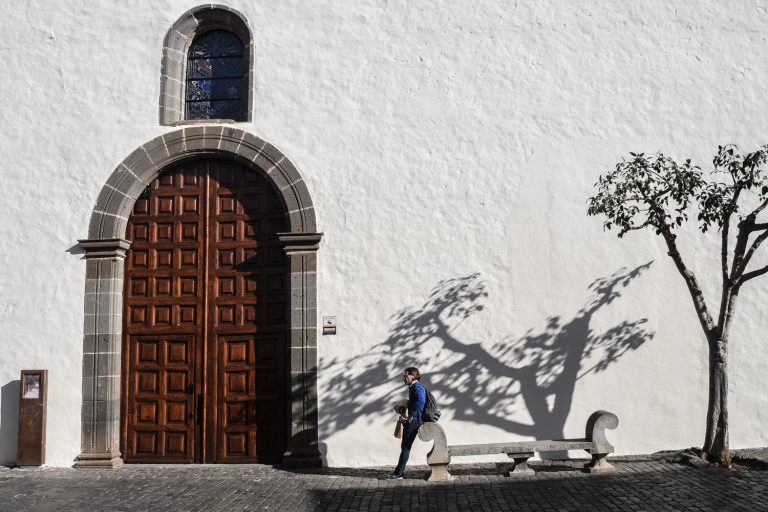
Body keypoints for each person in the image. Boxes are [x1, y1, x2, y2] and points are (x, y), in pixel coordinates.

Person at [390, 367, 426, 479]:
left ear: (413, 376)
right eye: (404, 376)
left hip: (414, 420)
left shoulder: (416, 387)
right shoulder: (414, 387)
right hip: (414, 419)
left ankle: (399, 472)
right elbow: (417, 400)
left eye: (406, 376)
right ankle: (399, 471)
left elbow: (421, 400)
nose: (404, 378)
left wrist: (412, 415)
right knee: (405, 446)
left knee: (405, 447)